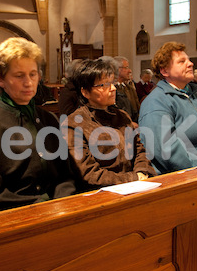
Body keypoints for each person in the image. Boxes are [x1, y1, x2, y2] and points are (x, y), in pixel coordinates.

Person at [0, 37, 77, 216]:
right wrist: (44, 205)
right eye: (19, 75)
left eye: (33, 74)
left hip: (54, 212)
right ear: (0, 79)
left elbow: (65, 175)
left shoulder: (49, 119)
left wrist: (62, 202)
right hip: (4, 218)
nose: (29, 82)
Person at [138, 41, 197, 174]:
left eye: (188, 60)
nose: (191, 63)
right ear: (164, 71)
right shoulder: (155, 103)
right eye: (182, 61)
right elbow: (167, 152)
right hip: (186, 176)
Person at [65, 58, 155, 189]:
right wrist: (133, 179)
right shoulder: (74, 123)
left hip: (136, 186)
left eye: (112, 83)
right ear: (85, 92)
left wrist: (142, 172)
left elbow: (140, 150)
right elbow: (89, 173)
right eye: (104, 85)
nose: (113, 88)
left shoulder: (122, 116)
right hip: (101, 193)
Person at [113, 56, 140, 120]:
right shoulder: (111, 89)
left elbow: (137, 108)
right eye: (126, 67)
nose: (130, 71)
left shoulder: (130, 88)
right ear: (117, 69)